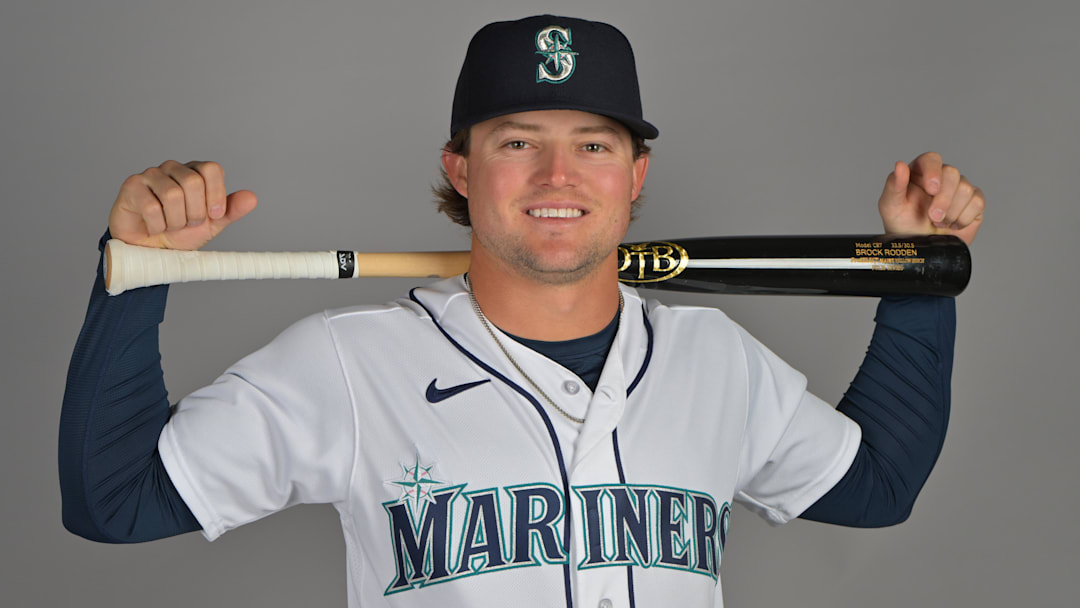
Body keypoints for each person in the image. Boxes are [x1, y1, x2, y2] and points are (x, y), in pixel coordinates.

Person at [59, 14, 985, 608]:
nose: (558, 176)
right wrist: (135, 280)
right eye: (517, 141)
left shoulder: (716, 359)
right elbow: (115, 502)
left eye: (593, 142)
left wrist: (913, 280)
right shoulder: (347, 365)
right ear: (462, 170)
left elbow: (876, 490)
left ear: (634, 176)